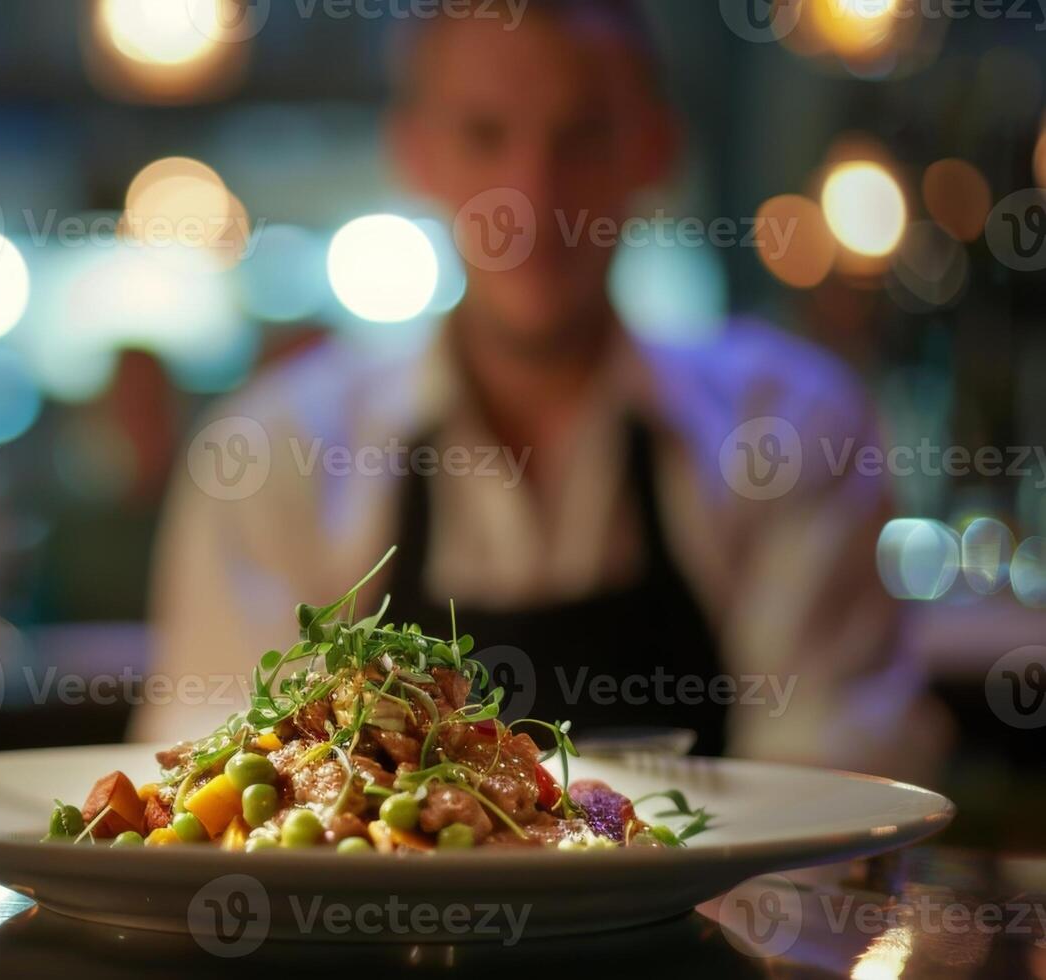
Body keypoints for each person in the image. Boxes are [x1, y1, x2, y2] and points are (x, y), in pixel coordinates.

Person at [133, 0, 946, 781]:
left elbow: (827, 792)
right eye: (485, 135)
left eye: (582, 136)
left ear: (655, 150)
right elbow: (223, 788)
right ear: (415, 153)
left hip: (715, 928)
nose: (531, 197)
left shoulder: (791, 425)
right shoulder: (276, 450)